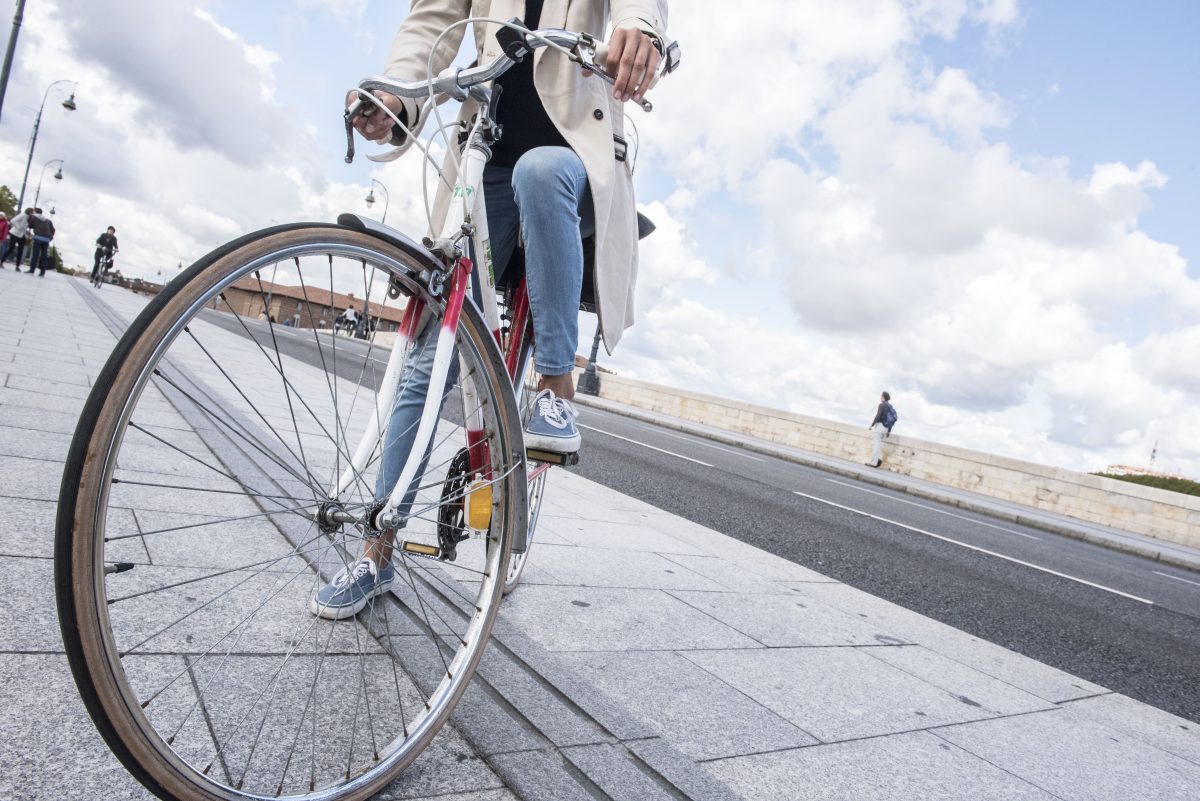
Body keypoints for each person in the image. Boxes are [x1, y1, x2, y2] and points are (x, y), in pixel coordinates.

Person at [310, 0, 671, 619]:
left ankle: (555, 390)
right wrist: (397, 93)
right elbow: (432, 21)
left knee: (541, 170)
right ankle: (377, 552)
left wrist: (642, 28)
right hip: (484, 149)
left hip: (571, 154)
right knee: (428, 363)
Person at [866, 391, 897, 468]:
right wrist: (889, 430)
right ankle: (878, 460)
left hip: (880, 426)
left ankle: (873, 463)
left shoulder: (881, 405)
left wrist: (872, 425)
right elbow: (891, 420)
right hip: (886, 428)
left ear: (883, 397)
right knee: (879, 445)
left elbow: (878, 416)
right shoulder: (890, 406)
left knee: (876, 445)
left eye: (881, 396)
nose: (880, 397)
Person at [27, 208, 55, 276]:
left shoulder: (34, 217)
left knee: (35, 255)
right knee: (44, 256)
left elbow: (30, 225)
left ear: (35, 212)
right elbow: (53, 230)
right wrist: (50, 237)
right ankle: (42, 272)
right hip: (46, 240)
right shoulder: (48, 220)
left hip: (38, 238)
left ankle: (32, 270)